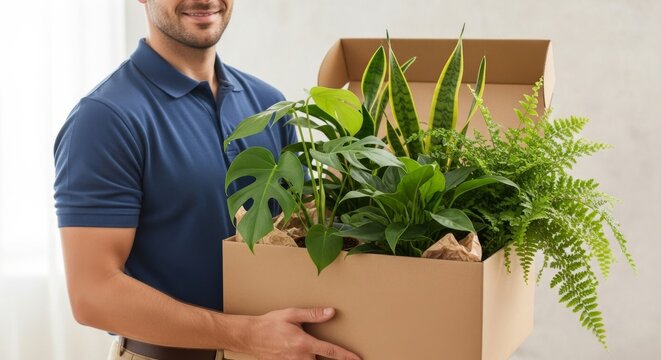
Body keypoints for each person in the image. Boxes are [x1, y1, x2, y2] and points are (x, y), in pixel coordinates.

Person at [53, 1, 361, 359]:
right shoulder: (105, 119)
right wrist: (244, 335)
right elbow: (92, 295)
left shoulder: (269, 105)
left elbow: (303, 234)